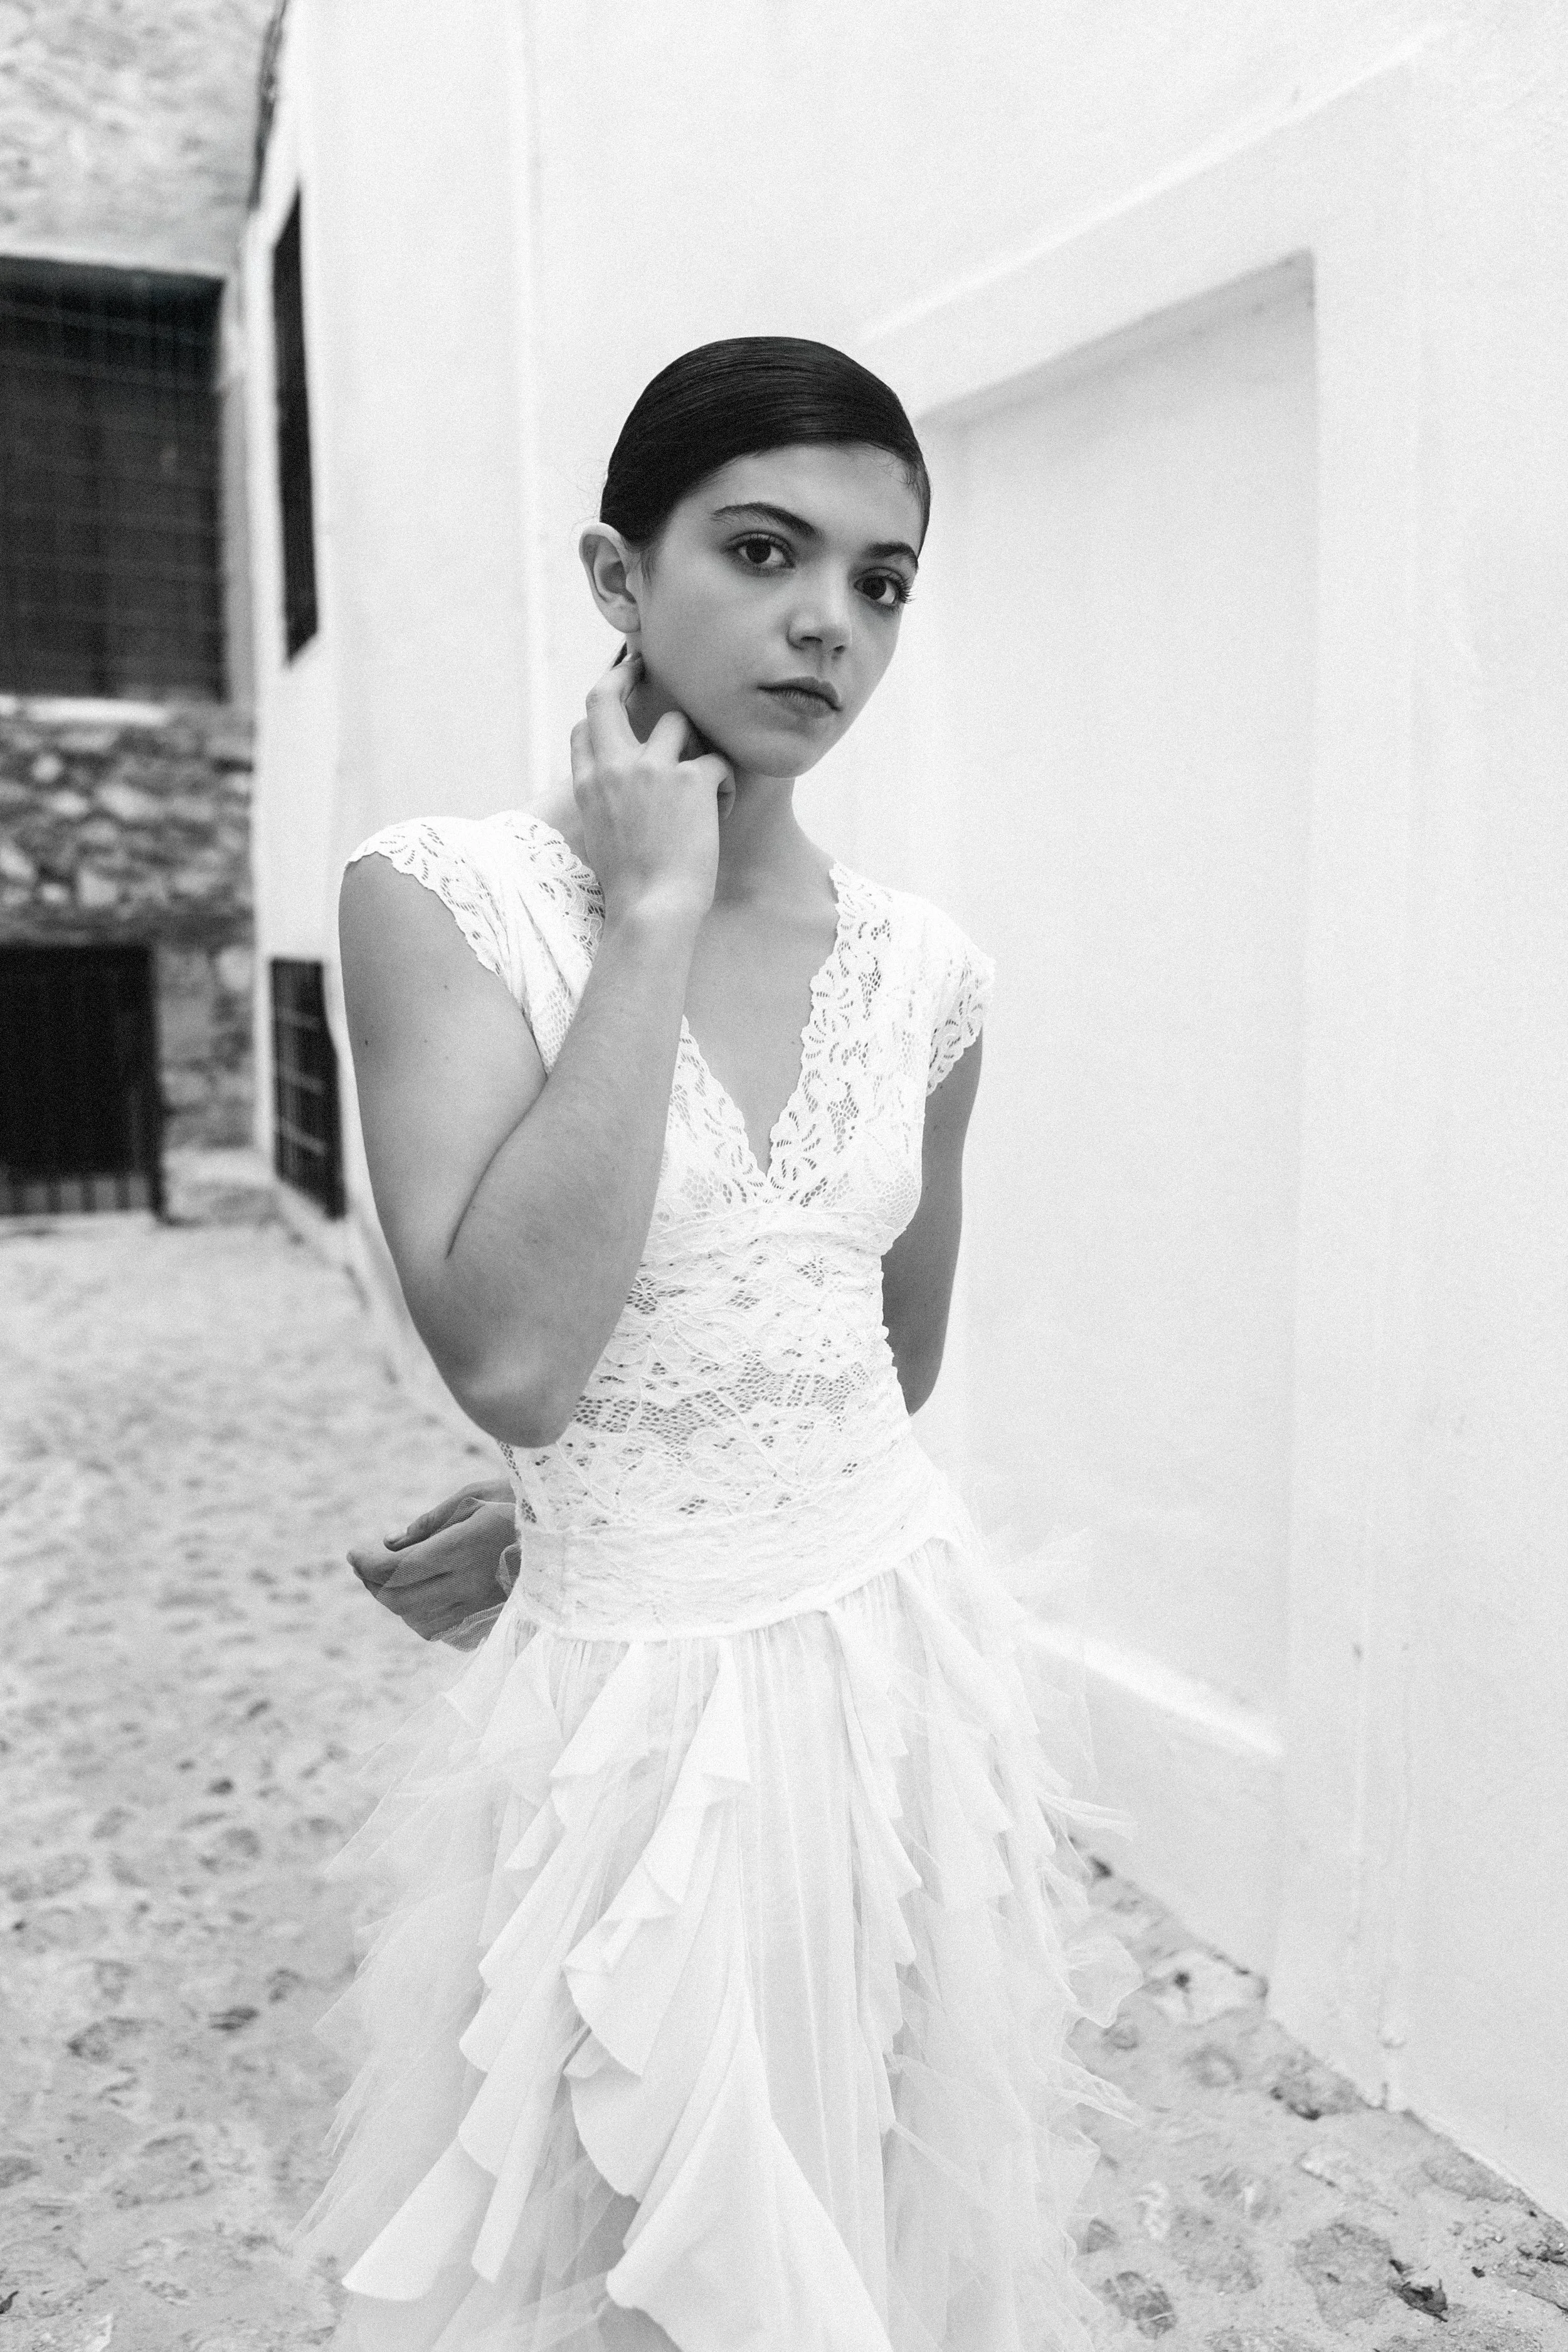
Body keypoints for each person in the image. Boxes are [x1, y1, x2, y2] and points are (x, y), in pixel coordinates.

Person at [305, 337, 1133, 2352]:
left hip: (889, 1673)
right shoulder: (442, 904)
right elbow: (509, 1357)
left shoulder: (927, 973)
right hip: (621, 1729)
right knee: (625, 2236)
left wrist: (621, 1456)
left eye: (879, 581)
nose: (825, 623)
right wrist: (655, 916)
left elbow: (875, 1360)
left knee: (872, 2197)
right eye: (764, 548)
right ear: (617, 573)